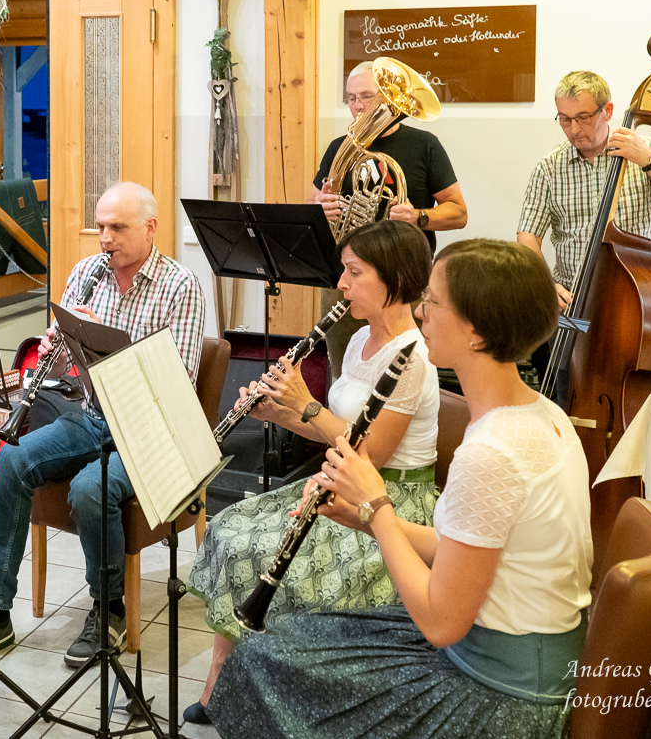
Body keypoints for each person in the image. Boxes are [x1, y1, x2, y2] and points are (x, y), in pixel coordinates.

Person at [208, 239, 593, 738]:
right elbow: (465, 550)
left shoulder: (493, 452)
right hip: (497, 655)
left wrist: (379, 507)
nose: (420, 311)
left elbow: (440, 623)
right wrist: (361, 517)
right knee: (282, 642)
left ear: (476, 332)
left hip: (501, 693)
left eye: (433, 301)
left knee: (262, 663)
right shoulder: (542, 414)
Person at [0, 182, 206, 675]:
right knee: (12, 459)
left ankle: (109, 610)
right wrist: (60, 347)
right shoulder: (85, 273)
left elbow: (180, 381)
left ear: (150, 228)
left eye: (117, 227)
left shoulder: (180, 285)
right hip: (93, 413)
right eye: (100, 227)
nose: (105, 238)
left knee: (89, 488)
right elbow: (62, 372)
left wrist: (102, 340)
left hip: (153, 428)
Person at [184, 220, 440, 725]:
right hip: (339, 481)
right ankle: (223, 675)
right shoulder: (360, 338)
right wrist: (276, 412)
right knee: (230, 528)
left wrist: (305, 404)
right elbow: (331, 429)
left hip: (387, 500)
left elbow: (371, 455)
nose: (341, 284)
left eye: (354, 273)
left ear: (394, 277)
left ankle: (255, 688)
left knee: (263, 552)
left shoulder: (414, 358)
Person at [517, 71, 651, 396]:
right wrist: (545, 284)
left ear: (607, 111)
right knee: (565, 391)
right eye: (564, 119)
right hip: (573, 310)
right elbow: (527, 240)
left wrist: (649, 160)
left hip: (633, 310)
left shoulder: (647, 151)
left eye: (582, 118)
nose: (573, 129)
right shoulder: (549, 168)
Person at [311, 59, 467, 379]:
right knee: (344, 374)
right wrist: (319, 207)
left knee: (407, 373)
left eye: (366, 96)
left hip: (403, 280)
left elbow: (458, 212)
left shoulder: (425, 145)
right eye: (351, 98)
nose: (357, 106)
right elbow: (311, 206)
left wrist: (418, 216)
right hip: (347, 280)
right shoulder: (338, 147)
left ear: (387, 97)